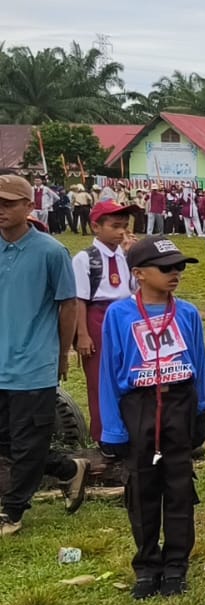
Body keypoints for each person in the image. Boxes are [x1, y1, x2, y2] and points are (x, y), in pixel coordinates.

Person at [97, 236, 205, 598]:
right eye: (166, 268)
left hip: (179, 402)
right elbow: (110, 371)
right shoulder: (119, 314)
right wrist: (112, 427)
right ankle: (147, 566)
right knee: (143, 488)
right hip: (139, 405)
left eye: (179, 267)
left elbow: (200, 366)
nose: (175, 274)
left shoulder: (187, 313)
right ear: (140, 274)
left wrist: (201, 410)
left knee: (179, 486)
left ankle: (176, 565)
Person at [0, 175, 89, 536]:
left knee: (27, 440)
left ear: (29, 206)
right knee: (9, 441)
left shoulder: (51, 252)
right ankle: (68, 470)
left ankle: (13, 512)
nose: (2, 210)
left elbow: (68, 304)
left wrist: (63, 353)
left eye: (9, 203)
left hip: (33, 362)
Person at [72, 201, 136, 443]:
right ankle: (103, 436)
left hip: (123, 317)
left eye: (125, 226)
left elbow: (133, 288)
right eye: (115, 226)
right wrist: (83, 335)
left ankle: (128, 430)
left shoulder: (124, 255)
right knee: (99, 380)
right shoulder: (85, 258)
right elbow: (79, 298)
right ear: (96, 227)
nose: (121, 232)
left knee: (126, 375)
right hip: (97, 316)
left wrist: (134, 257)